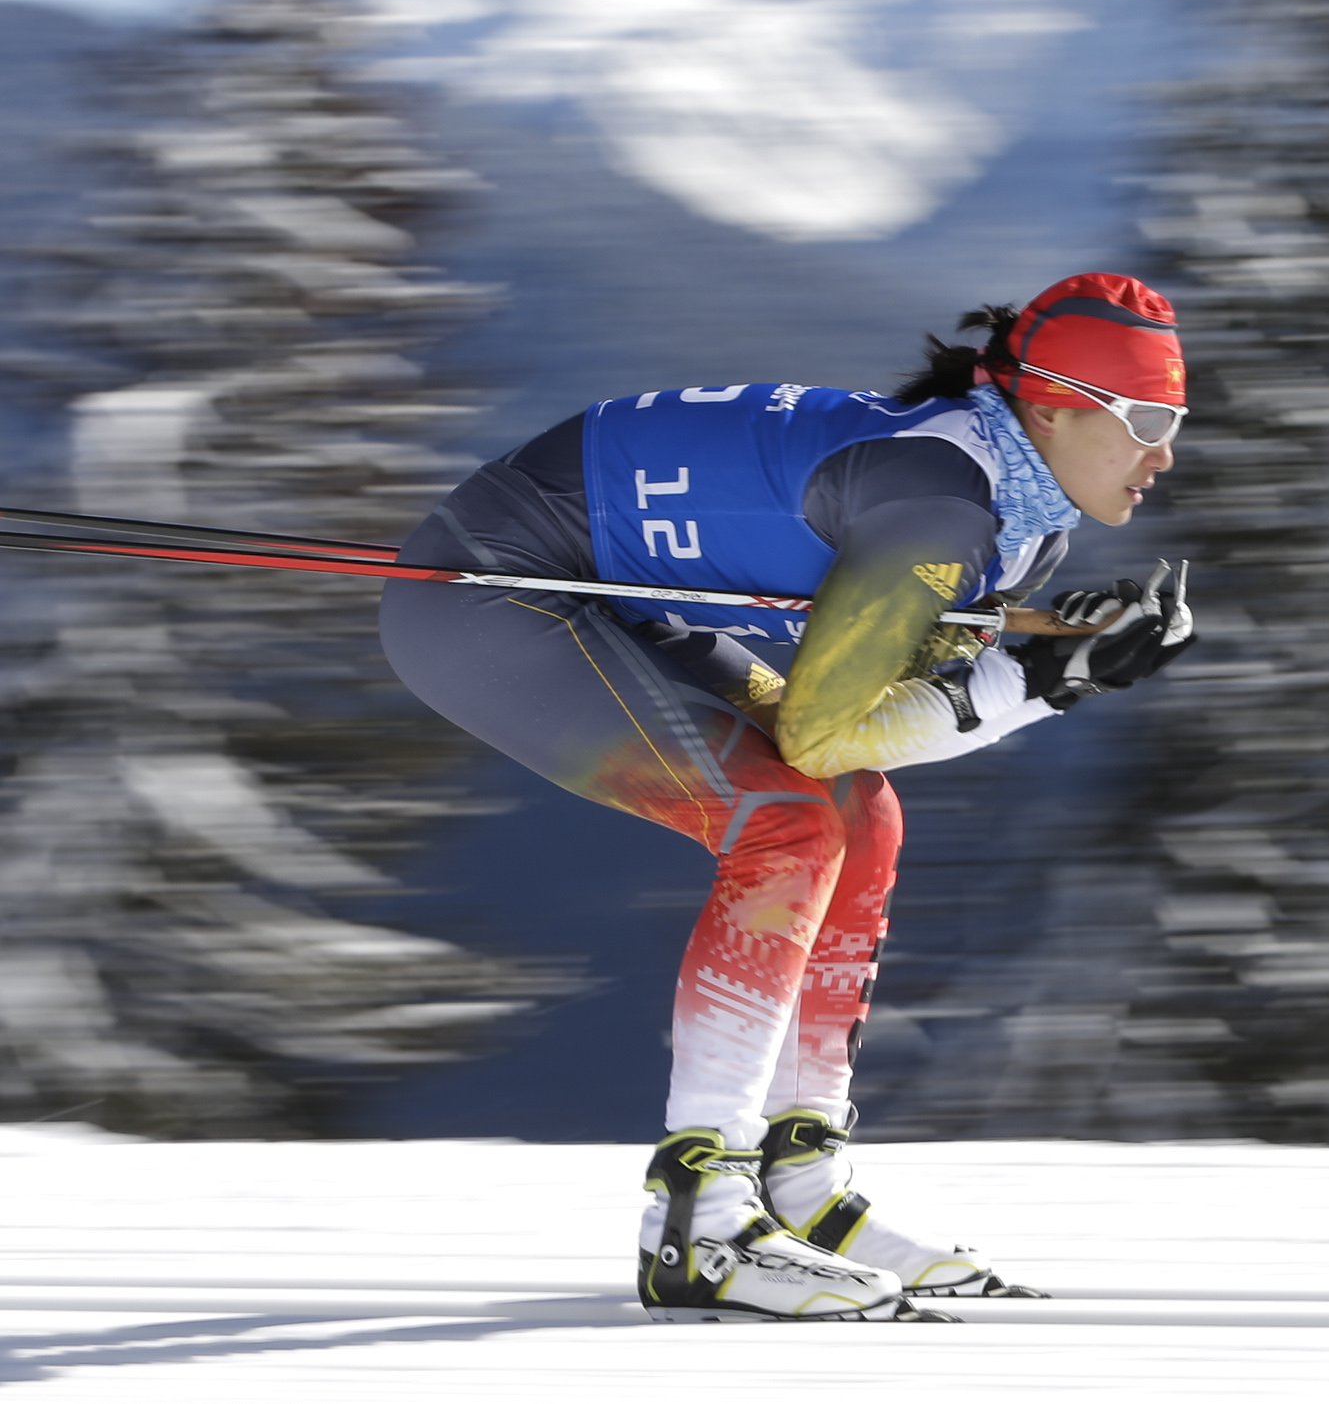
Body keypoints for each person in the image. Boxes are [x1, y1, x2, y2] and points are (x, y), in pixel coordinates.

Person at [378, 272, 1197, 1322]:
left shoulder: (1025, 518)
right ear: (1049, 406)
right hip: (489, 594)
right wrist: (1041, 682)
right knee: (787, 821)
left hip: (610, 586)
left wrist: (1020, 650)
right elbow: (823, 728)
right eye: (1149, 421)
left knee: (861, 813)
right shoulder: (941, 508)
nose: (1164, 454)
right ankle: (697, 1223)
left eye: (1175, 422)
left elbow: (890, 681)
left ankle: (796, 1189)